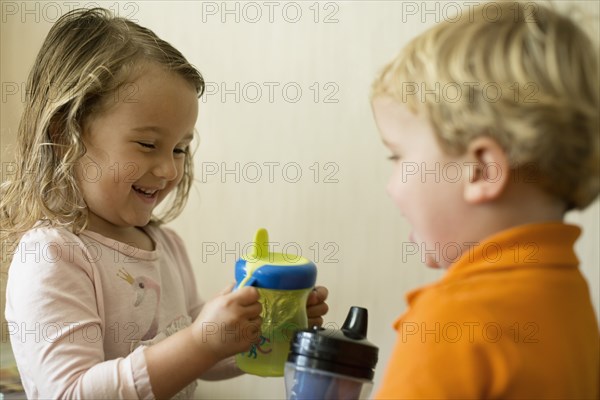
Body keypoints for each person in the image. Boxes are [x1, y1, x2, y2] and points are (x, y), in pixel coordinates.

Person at [1, 8, 329, 399]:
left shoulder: (166, 246)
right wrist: (201, 342)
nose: (168, 168)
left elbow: (196, 356)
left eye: (180, 148)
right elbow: (72, 392)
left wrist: (256, 330)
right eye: (147, 144)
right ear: (67, 132)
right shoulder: (53, 255)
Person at [370, 1, 599, 398]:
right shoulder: (568, 300)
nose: (391, 186)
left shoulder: (450, 325)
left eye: (398, 156)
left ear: (483, 170)